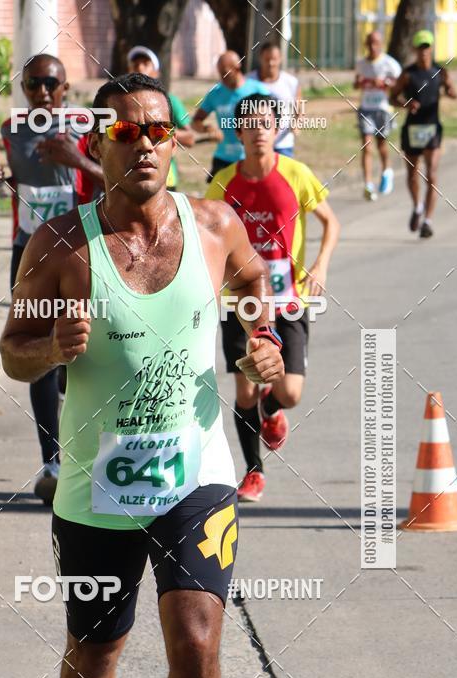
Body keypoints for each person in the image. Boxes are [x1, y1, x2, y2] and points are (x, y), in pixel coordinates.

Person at [0, 72, 284, 678]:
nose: (147, 144)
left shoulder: (214, 224)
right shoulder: (59, 246)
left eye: (160, 131)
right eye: (128, 132)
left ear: (175, 141)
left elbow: (256, 285)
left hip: (197, 473)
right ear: (99, 143)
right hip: (96, 486)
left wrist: (258, 341)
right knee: (97, 648)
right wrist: (49, 350)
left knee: (197, 640)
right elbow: (11, 349)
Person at [0, 54, 103, 503]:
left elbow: (118, 183)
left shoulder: (89, 127)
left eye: (51, 83)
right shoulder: (12, 130)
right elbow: (20, 184)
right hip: (30, 252)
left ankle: (92, 455)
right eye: (34, 83)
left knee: (83, 352)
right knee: (37, 350)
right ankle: (53, 460)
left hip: (81, 252)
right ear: (25, 88)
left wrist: (78, 159)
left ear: (66, 86)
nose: (43, 91)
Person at [206, 94, 339, 503]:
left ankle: (272, 407)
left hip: (288, 301)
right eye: (251, 123)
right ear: (239, 132)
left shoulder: (296, 174)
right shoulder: (224, 182)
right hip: (242, 302)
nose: (260, 130)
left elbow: (331, 222)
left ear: (277, 128)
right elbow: (209, 239)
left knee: (292, 392)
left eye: (267, 122)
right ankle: (253, 471)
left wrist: (320, 264)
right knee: (244, 390)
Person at [390, 29, 457, 238]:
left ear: (431, 48)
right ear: (415, 50)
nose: (424, 52)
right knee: (412, 175)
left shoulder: (440, 71)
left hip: (432, 129)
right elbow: (392, 97)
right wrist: (406, 104)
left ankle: (427, 221)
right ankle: (417, 207)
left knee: (432, 174)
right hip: (412, 129)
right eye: (420, 48)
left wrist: (450, 91)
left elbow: (451, 90)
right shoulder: (408, 74)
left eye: (426, 47)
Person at [191, 50, 269, 180]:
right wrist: (208, 129)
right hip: (223, 159)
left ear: (237, 67)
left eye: (225, 73)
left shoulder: (258, 90)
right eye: (220, 73)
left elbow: (273, 121)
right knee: (216, 198)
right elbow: (195, 122)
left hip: (251, 158)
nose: (222, 78)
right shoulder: (215, 93)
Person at [127, 45, 195, 189]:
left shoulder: (170, 101)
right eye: (135, 64)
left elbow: (190, 138)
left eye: (145, 64)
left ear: (156, 72)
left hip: (166, 179)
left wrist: (159, 131)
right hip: (131, 175)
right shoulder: (123, 104)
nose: (139, 68)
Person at [354, 31, 401, 201]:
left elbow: (399, 83)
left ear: (381, 44)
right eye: (370, 43)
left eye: (376, 43)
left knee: (381, 144)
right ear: (366, 44)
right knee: (367, 146)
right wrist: (359, 82)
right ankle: (368, 184)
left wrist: (385, 83)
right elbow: (355, 83)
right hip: (366, 108)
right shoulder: (361, 64)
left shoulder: (390, 64)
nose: (373, 47)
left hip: (383, 108)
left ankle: (387, 171)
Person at [247, 40, 301, 158]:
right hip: (257, 141)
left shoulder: (291, 82)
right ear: (260, 58)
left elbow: (299, 107)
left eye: (274, 59)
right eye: (267, 59)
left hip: (283, 143)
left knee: (283, 175)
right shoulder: (248, 81)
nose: (271, 63)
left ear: (280, 59)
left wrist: (296, 124)